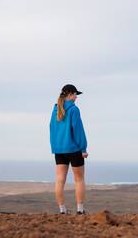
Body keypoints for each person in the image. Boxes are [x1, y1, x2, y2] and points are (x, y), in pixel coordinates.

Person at [49, 84, 88, 215]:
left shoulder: (55, 110)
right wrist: (83, 148)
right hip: (74, 149)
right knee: (80, 179)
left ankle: (62, 211)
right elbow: (78, 130)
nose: (76, 97)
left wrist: (55, 147)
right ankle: (80, 211)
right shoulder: (74, 109)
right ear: (70, 94)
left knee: (60, 180)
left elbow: (51, 129)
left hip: (59, 151)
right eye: (75, 94)